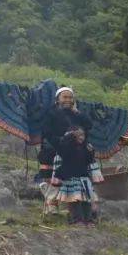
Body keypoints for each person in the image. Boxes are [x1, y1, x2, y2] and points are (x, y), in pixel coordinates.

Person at [41, 87, 97, 225]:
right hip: (56, 151)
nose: (67, 100)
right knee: (55, 181)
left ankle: (83, 217)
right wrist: (61, 142)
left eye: (70, 97)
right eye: (64, 97)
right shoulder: (51, 114)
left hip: (77, 154)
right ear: (58, 99)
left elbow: (88, 125)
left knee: (77, 185)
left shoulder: (76, 114)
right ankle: (52, 206)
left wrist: (77, 112)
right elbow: (47, 133)